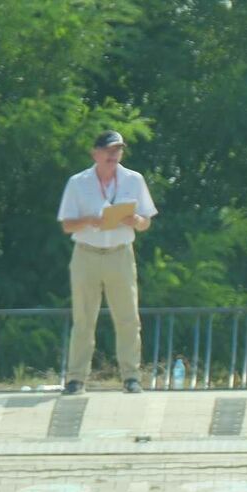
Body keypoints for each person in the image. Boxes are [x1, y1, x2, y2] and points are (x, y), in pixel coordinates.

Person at [57, 130, 158, 395]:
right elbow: (67, 224)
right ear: (96, 153)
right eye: (109, 150)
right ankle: (76, 378)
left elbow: (146, 221)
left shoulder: (133, 180)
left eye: (118, 150)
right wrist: (90, 220)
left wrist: (135, 220)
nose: (114, 155)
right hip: (86, 253)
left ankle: (131, 376)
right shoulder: (78, 182)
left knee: (127, 318)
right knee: (83, 318)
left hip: (120, 253)